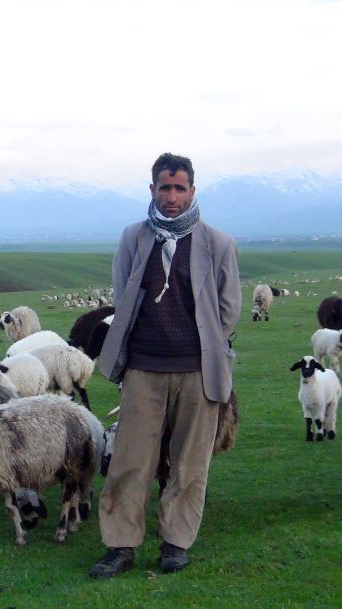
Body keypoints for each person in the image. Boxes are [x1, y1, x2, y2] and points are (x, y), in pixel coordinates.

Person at [89, 152, 241, 578]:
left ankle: (175, 543)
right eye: (164, 188)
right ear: (152, 190)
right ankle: (120, 545)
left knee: (190, 462)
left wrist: (204, 345)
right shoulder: (134, 238)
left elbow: (229, 309)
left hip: (198, 370)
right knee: (129, 460)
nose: (171, 197)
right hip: (143, 369)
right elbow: (123, 296)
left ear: (192, 191)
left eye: (179, 188)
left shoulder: (218, 243)